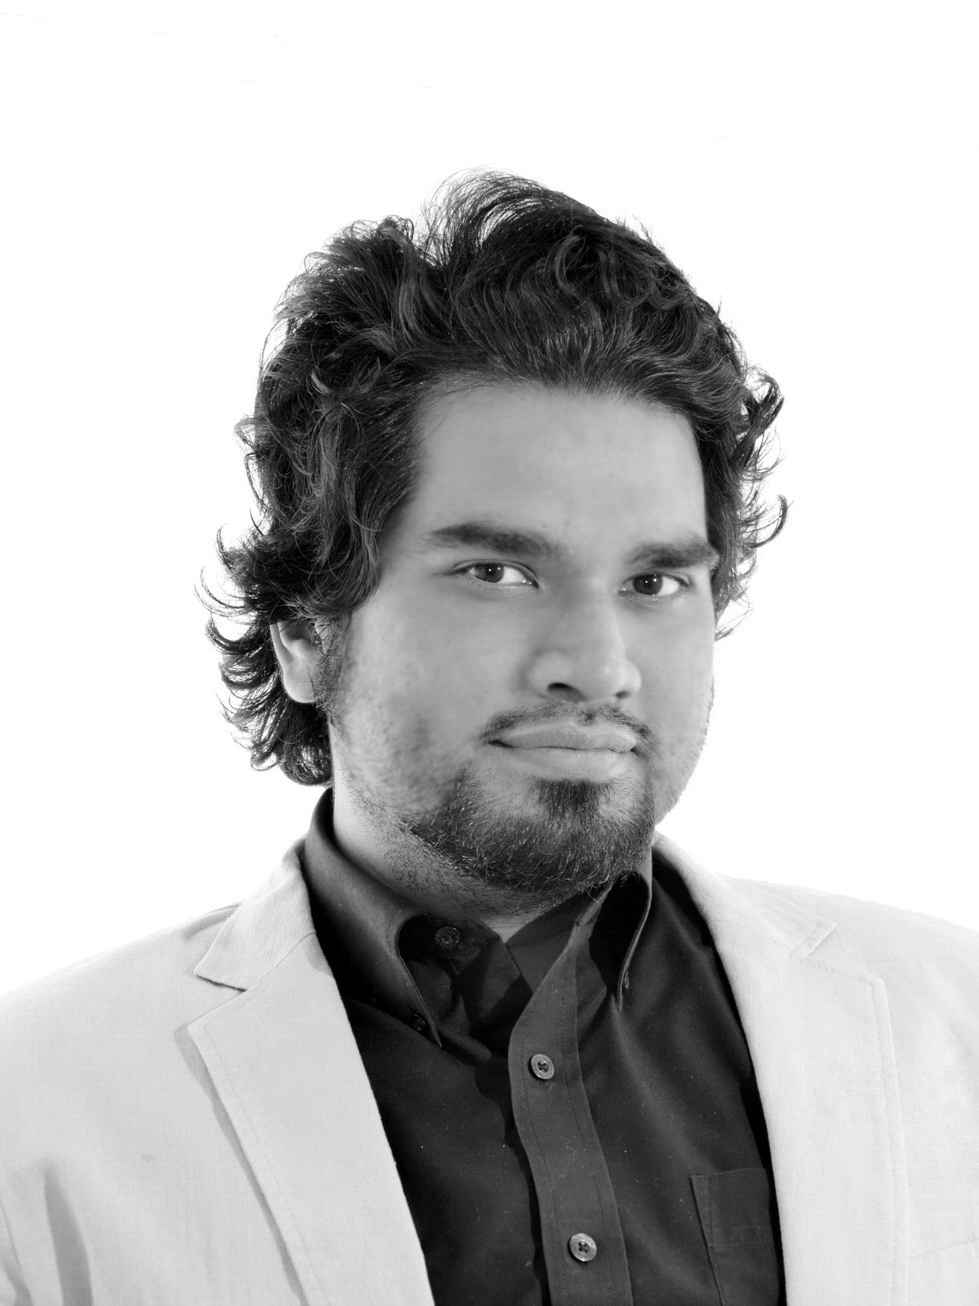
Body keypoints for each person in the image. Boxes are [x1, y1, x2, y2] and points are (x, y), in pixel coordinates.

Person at [1, 172, 976, 1306]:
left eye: (654, 580)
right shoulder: (40, 1109)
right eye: (497, 572)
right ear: (307, 631)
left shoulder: (952, 1024)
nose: (598, 664)